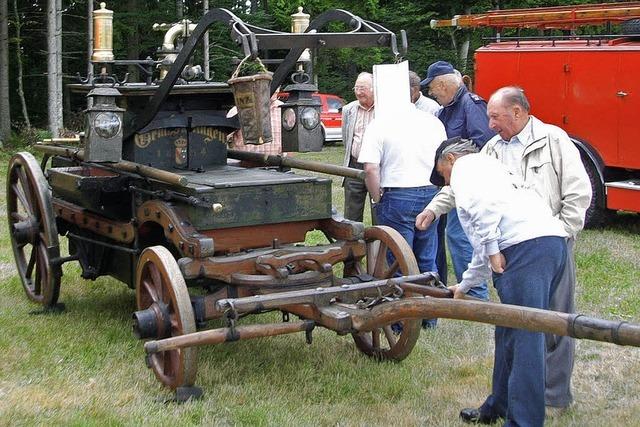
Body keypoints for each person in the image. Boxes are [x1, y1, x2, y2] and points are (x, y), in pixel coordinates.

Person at [419, 86, 591, 415]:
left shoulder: (550, 140)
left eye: (495, 116)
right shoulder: (491, 153)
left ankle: (529, 415)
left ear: (518, 111)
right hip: (533, 240)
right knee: (508, 325)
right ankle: (497, 404)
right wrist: (467, 284)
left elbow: (483, 213)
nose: (491, 123)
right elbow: (484, 240)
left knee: (531, 330)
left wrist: (561, 233)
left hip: (535, 244)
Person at [420, 61, 495, 300]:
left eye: (432, 88)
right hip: (452, 183)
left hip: (469, 184)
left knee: (460, 234)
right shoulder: (447, 110)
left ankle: (475, 294)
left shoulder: (471, 105)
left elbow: (483, 144)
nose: (431, 94)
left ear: (442, 83)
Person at [358, 95, 446, 276]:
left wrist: (377, 198)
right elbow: (444, 158)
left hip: (397, 194)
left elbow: (370, 168)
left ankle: (406, 300)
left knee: (399, 260)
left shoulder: (379, 124)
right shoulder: (433, 122)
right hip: (431, 192)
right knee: (427, 257)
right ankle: (432, 299)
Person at [341, 72, 375, 223]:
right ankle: (352, 245)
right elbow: (346, 138)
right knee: (351, 215)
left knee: (379, 211)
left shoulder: (384, 109)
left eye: (363, 88)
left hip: (377, 167)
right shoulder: (349, 110)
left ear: (374, 89)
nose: (359, 92)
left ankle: (378, 245)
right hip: (354, 166)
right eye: (356, 88)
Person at [227, 91, 284, 165]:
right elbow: (224, 139)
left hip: (277, 167)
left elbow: (291, 138)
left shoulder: (284, 108)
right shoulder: (238, 110)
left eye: (278, 85)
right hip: (245, 169)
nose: (276, 90)